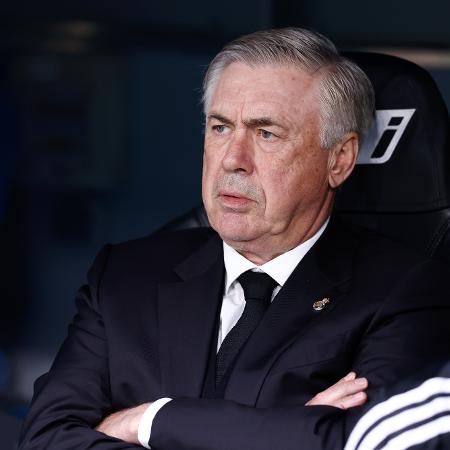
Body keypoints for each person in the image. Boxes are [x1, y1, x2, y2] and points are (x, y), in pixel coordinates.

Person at [19, 28, 450, 450]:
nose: (233, 160)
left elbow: (353, 442)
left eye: (267, 133)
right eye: (221, 128)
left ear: (339, 160)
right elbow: (44, 438)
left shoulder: (403, 292)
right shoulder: (125, 276)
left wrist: (150, 419)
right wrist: (284, 428)